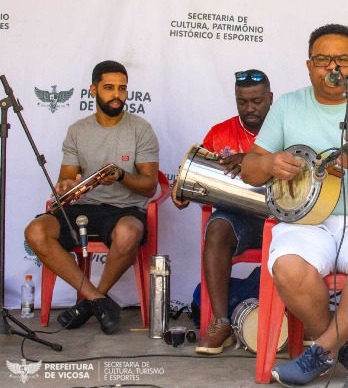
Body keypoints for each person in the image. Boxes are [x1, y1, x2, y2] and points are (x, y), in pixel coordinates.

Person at [241, 24, 348, 387]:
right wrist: (271, 163)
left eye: (343, 59)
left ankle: (319, 353)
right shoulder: (287, 106)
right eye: (322, 59)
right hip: (304, 223)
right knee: (286, 267)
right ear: (309, 65)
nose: (333, 66)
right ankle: (342, 348)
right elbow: (250, 169)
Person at [24, 60, 159, 335]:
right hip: (83, 207)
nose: (116, 95)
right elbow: (67, 179)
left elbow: (149, 187)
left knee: (129, 232)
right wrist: (66, 186)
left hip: (124, 209)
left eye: (122, 88)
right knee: (36, 231)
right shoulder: (77, 130)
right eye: (109, 88)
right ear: (93, 90)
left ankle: (88, 303)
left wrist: (121, 175)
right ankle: (96, 300)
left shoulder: (141, 129)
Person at [171, 69, 273, 355]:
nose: (249, 108)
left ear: (270, 99)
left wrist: (253, 161)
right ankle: (221, 321)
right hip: (238, 219)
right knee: (216, 229)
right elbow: (194, 175)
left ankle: (301, 320)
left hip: (279, 219)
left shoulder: (286, 128)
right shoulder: (219, 133)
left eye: (257, 101)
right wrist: (181, 192)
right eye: (242, 102)